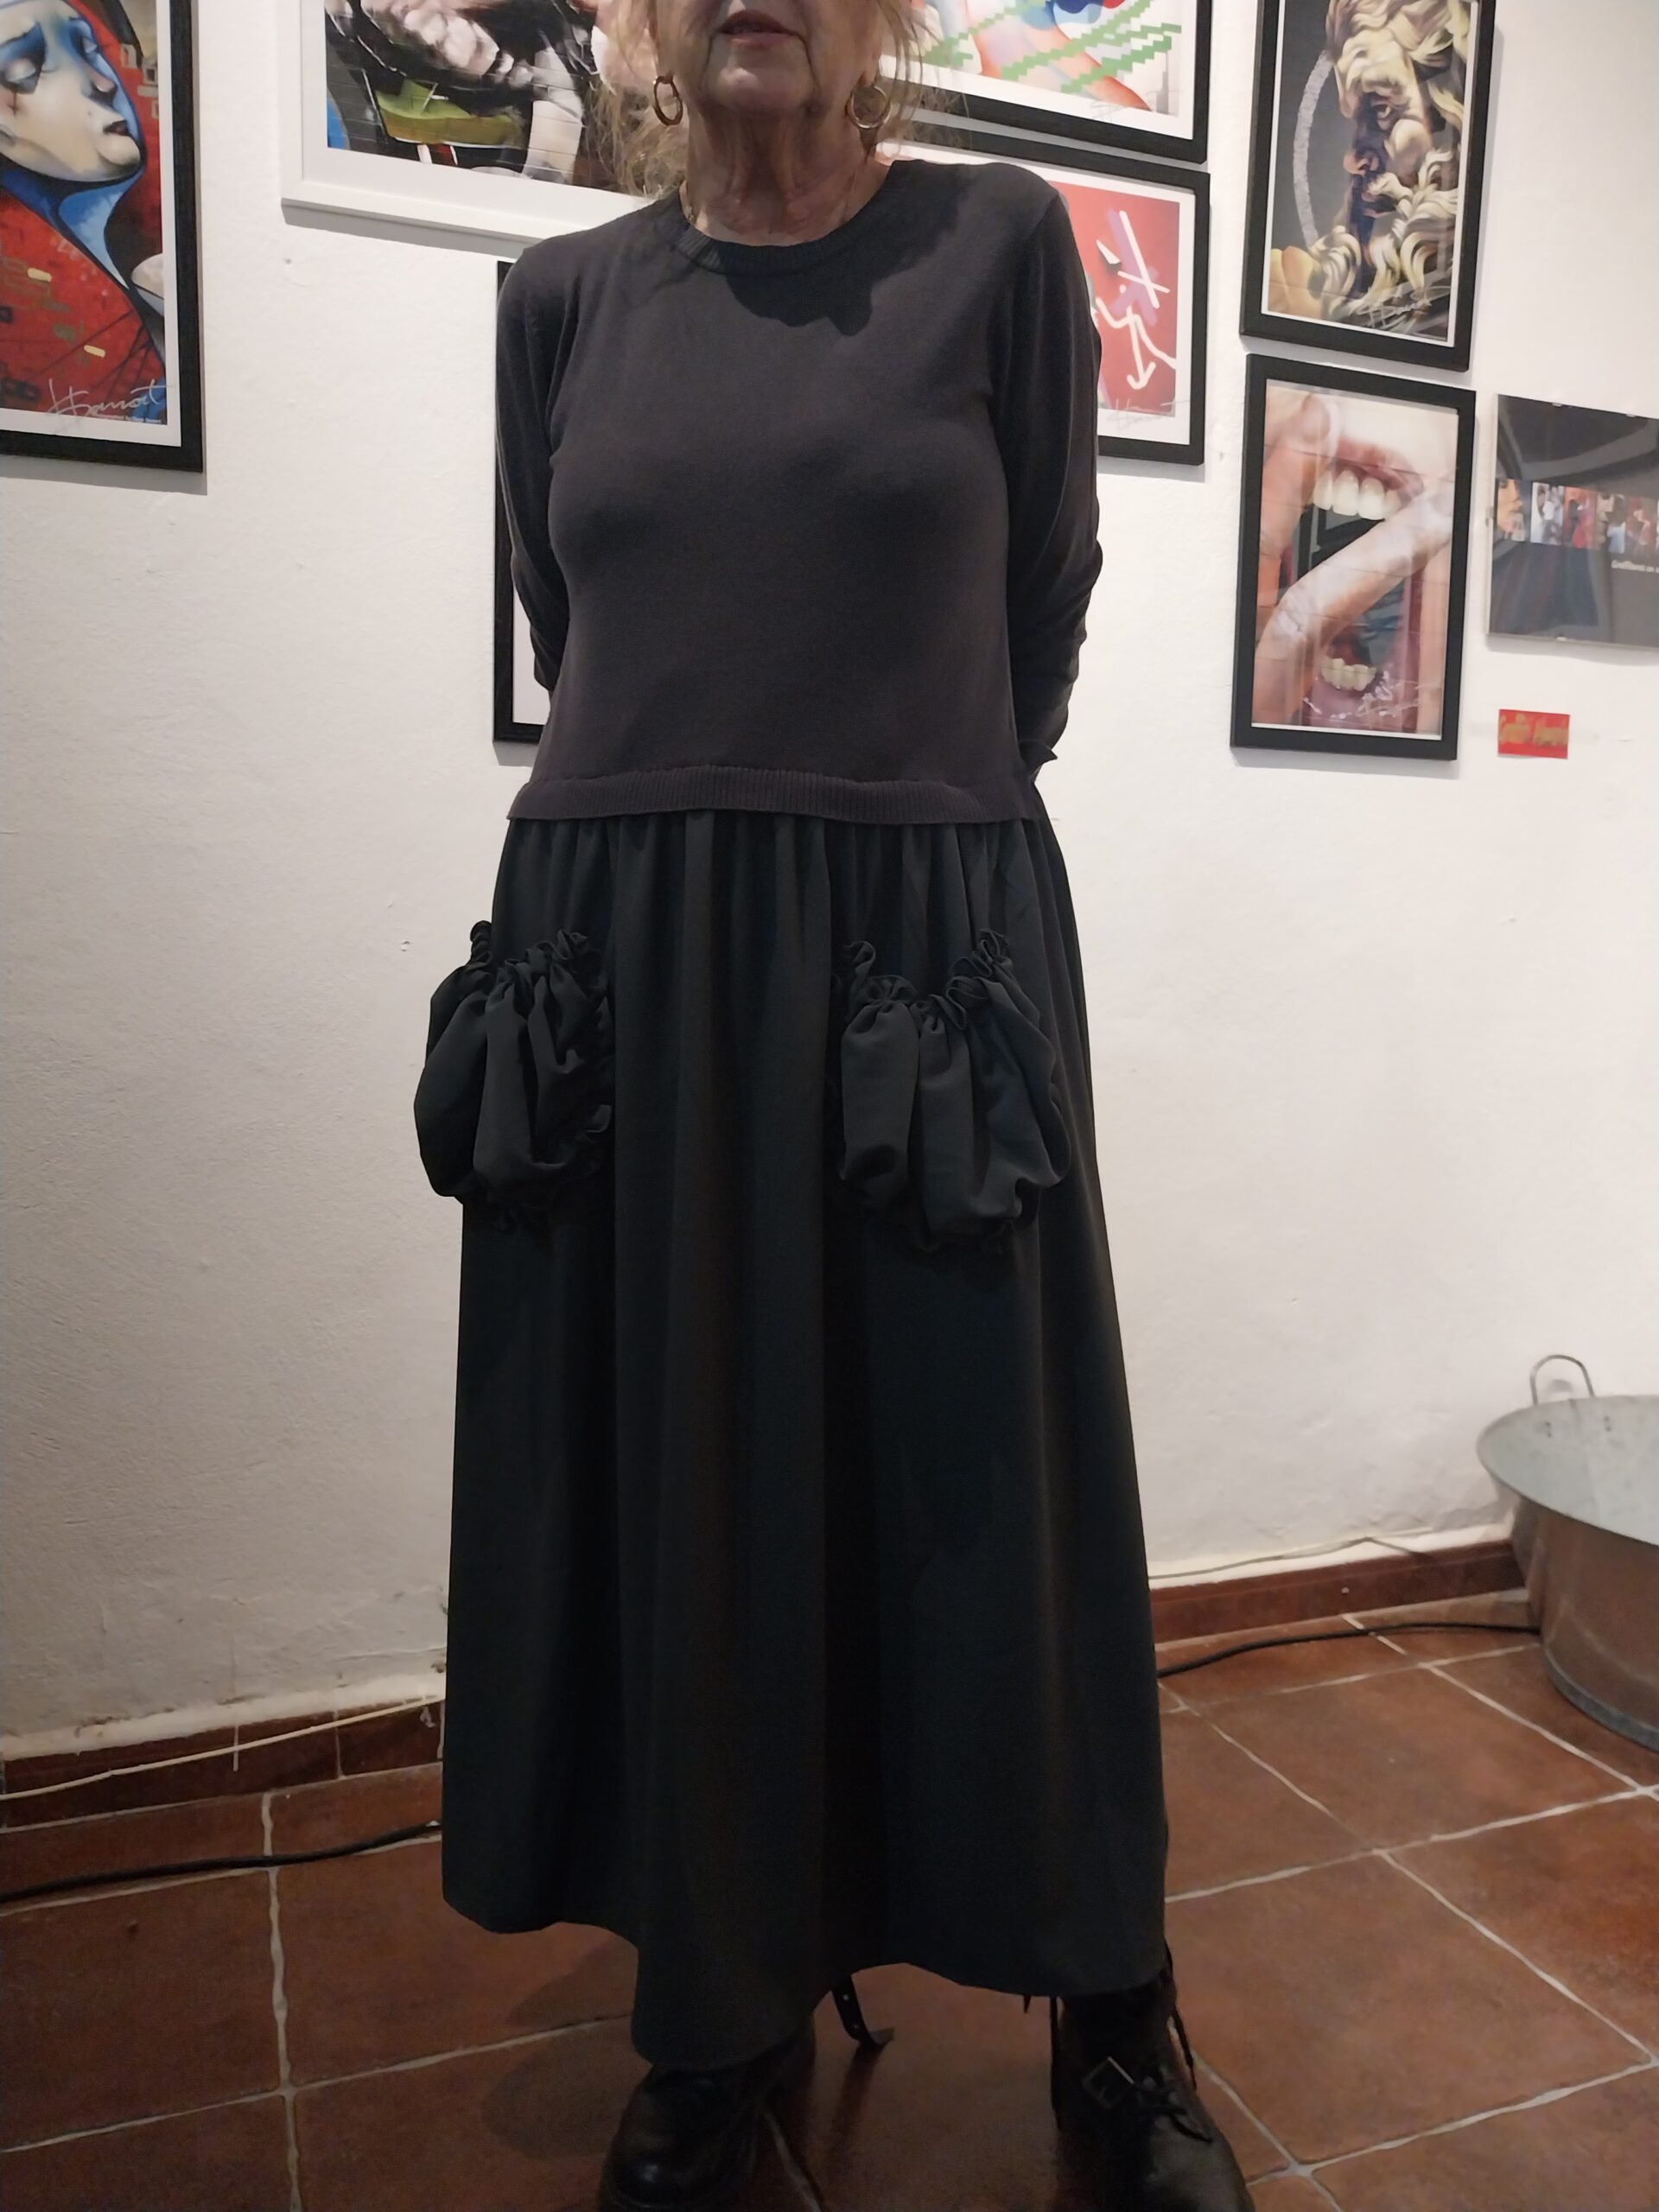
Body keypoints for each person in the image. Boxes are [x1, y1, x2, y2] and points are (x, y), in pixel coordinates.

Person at [413, 3, 1253, 2208]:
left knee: (1002, 1478)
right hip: (632, 961)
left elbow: (1041, 612)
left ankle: (1111, 2009)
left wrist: (900, 829)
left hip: (920, 945)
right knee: (688, 1477)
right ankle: (721, 1999)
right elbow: (569, 617)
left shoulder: (1000, 249)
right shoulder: (559, 299)